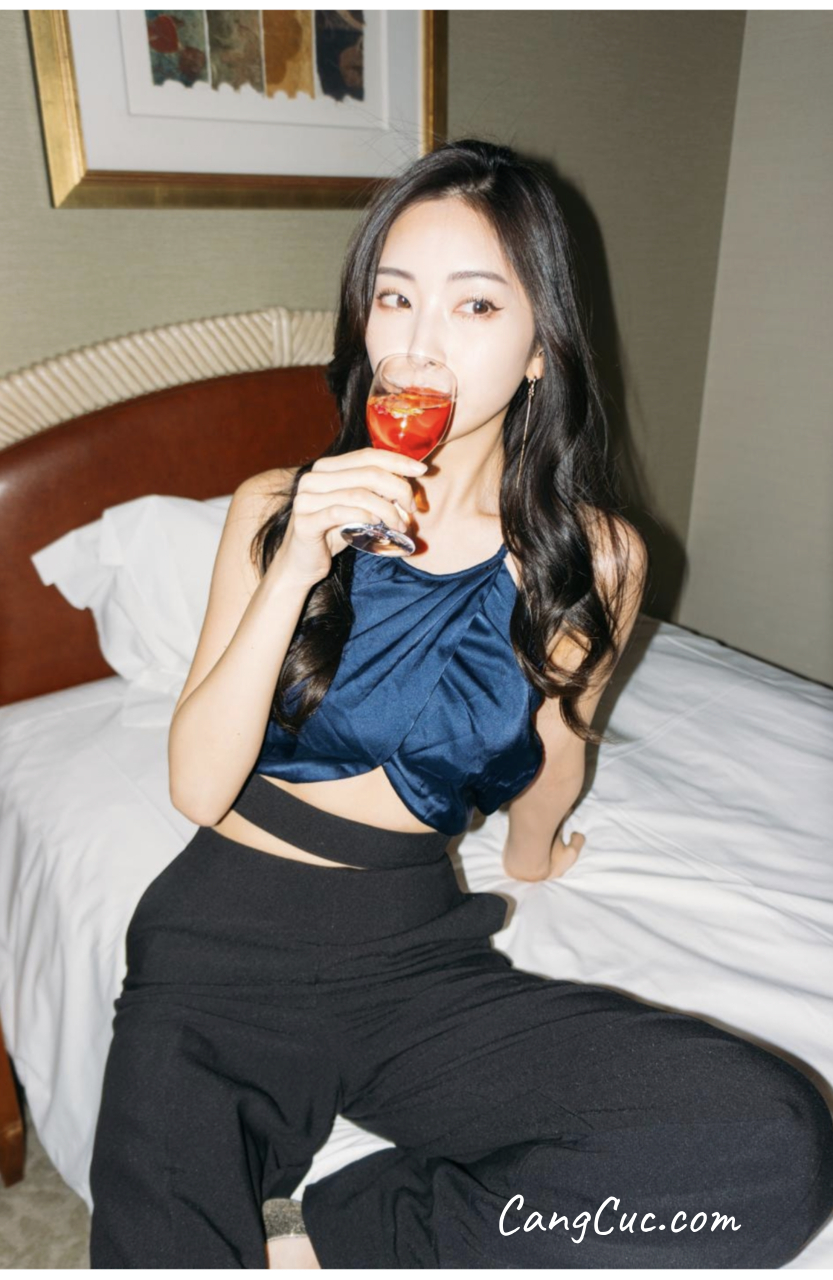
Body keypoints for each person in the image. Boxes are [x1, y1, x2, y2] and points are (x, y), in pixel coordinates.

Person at [88, 138, 833, 1269]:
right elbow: (197, 785)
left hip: (414, 957)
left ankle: (329, 1234)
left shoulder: (596, 557)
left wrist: (533, 855)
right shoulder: (274, 506)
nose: (417, 343)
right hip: (219, 954)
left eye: (474, 304)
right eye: (393, 297)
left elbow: (557, 739)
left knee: (772, 1151)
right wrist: (296, 565)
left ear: (539, 350)